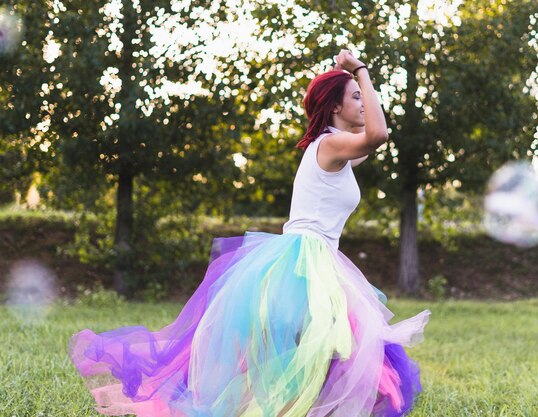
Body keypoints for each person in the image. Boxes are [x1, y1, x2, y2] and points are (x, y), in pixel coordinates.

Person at [68, 49, 431, 417]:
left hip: (318, 258)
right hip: (305, 260)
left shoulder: (336, 144)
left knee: (323, 350)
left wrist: (353, 84)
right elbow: (379, 134)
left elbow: (372, 131)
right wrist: (360, 70)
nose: (363, 102)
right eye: (354, 96)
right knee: (308, 350)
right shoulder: (330, 145)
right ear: (336, 107)